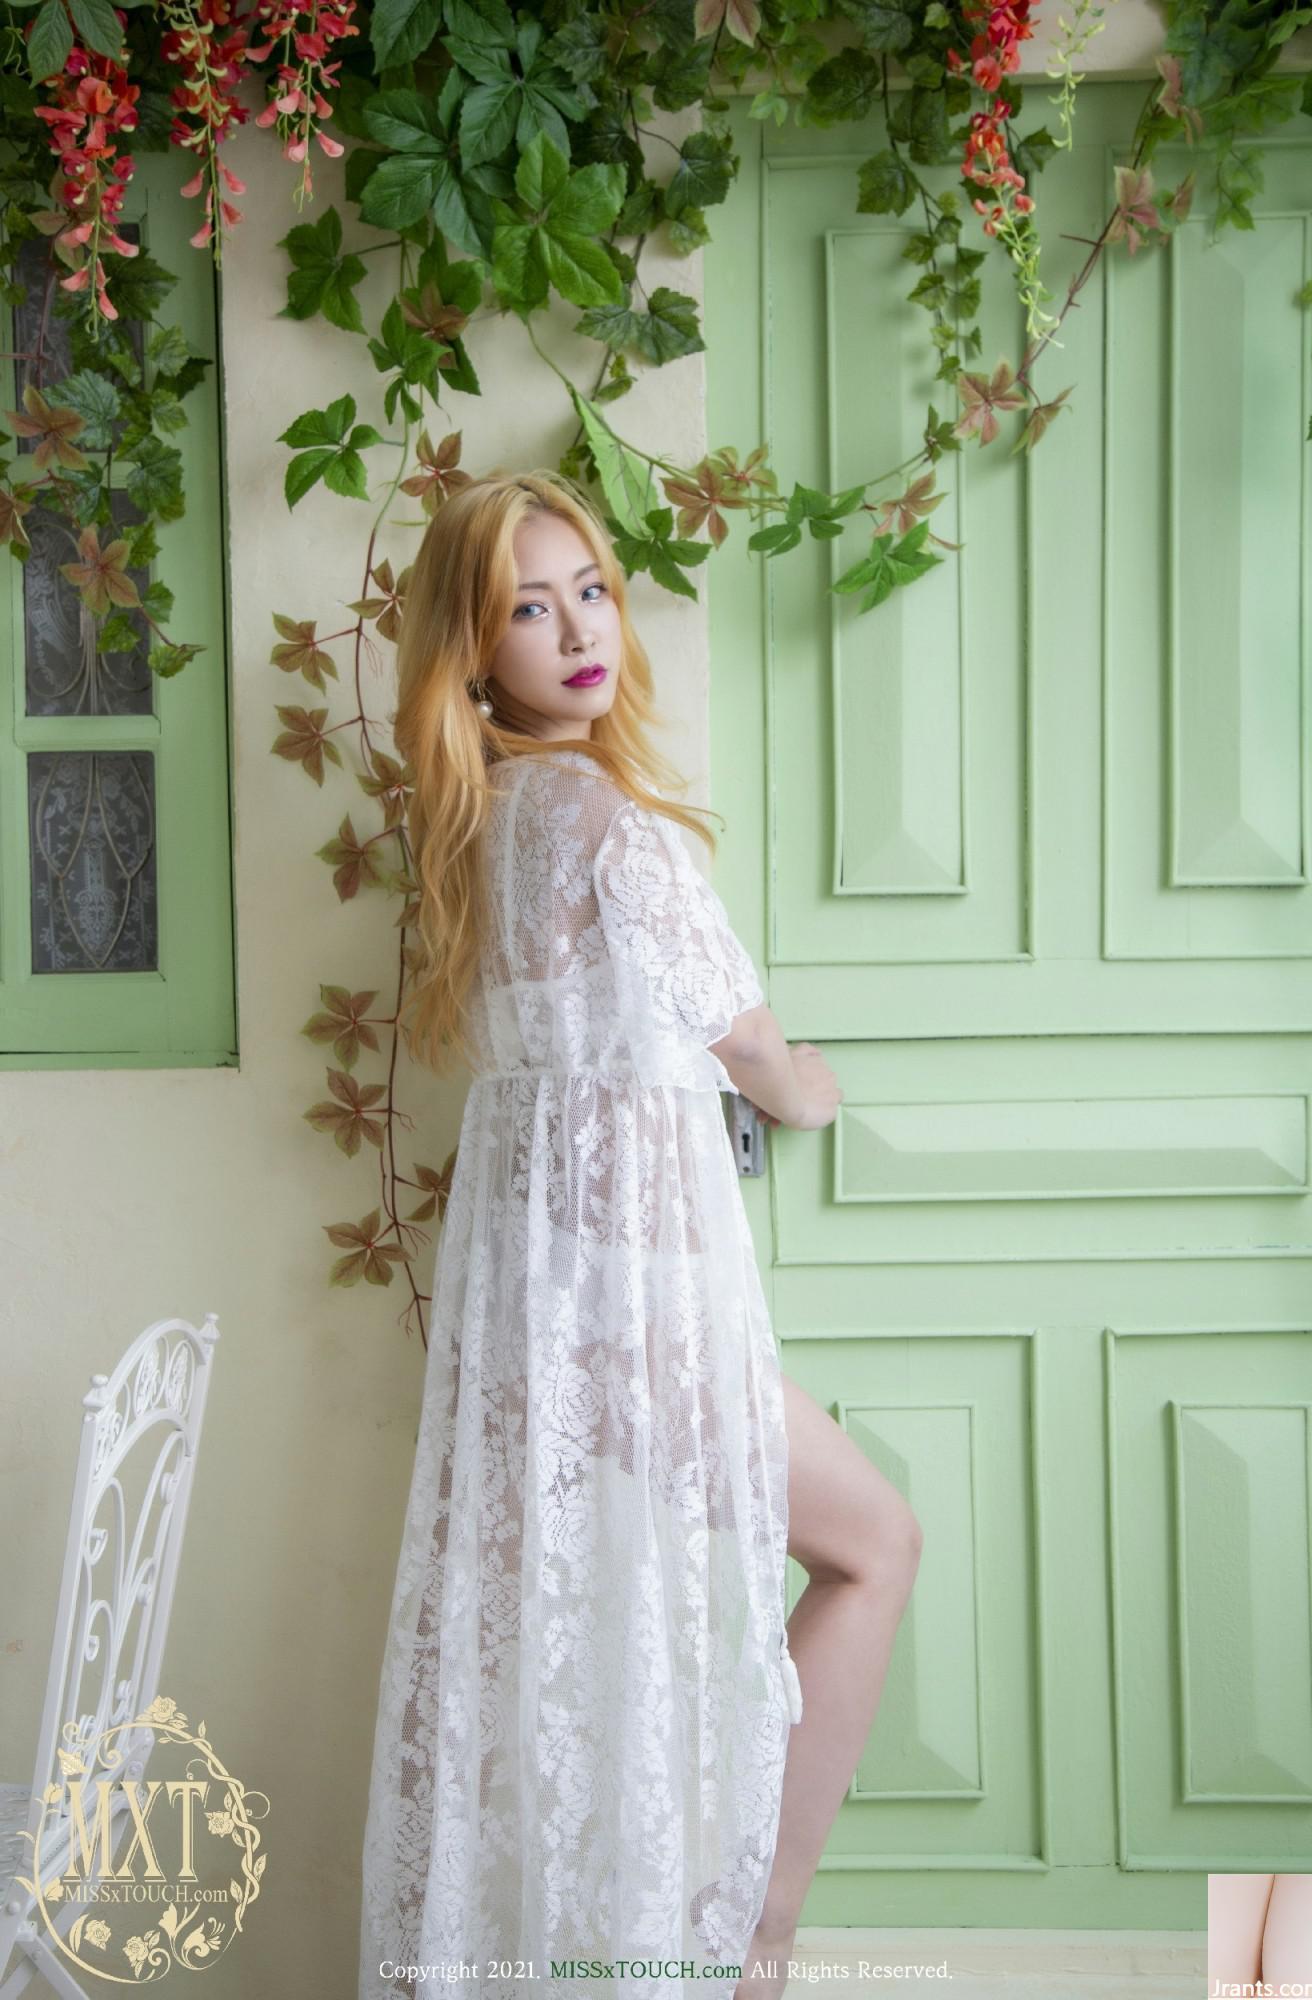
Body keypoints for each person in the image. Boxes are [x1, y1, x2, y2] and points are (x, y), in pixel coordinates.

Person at [358, 469, 923, 2000]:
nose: (576, 633)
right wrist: (808, 1089)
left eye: (589, 592)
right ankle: (753, 1942)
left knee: (560, 1659)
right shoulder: (609, 824)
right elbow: (751, 1047)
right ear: (474, 652)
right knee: (874, 1545)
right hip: (638, 1317)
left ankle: (558, 1952)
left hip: (535, 1323)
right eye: (527, 610)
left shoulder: (474, 829)